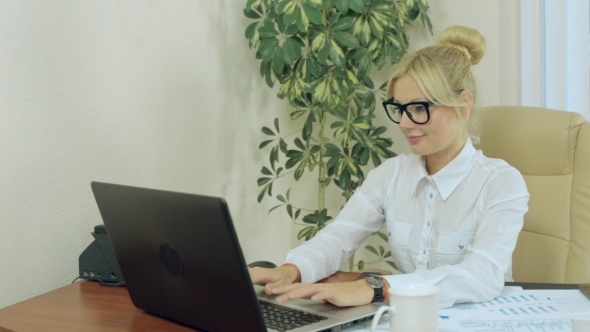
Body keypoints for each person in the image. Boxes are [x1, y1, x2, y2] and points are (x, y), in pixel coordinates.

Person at [249, 25, 529, 309]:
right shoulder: (391, 175)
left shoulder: (501, 182)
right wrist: (289, 271)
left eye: (419, 108)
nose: (405, 124)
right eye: (399, 109)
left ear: (463, 103)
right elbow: (336, 239)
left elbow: (481, 275)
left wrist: (379, 287)